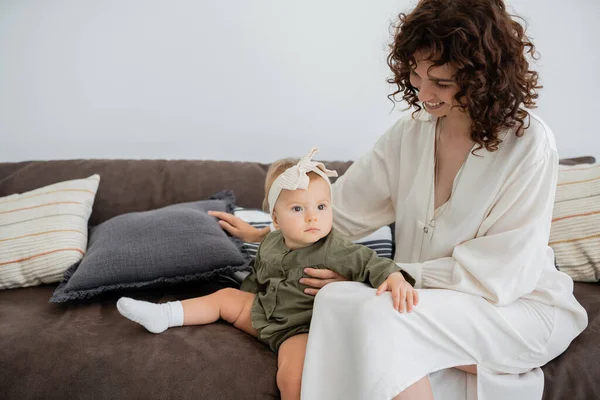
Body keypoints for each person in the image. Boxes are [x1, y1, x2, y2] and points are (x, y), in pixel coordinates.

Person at [207, 0, 589, 399]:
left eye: (440, 82)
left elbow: (502, 275)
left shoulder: (529, 145)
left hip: (512, 309)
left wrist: (388, 274)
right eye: (416, 74)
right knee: (340, 300)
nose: (423, 93)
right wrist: (269, 231)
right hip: (420, 303)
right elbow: (341, 212)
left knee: (376, 311)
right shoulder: (410, 133)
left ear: (484, 77)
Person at [117, 148, 417, 400]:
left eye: (322, 206)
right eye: (298, 209)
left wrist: (393, 277)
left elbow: (370, 262)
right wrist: (244, 299)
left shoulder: (334, 248)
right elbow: (257, 278)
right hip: (264, 313)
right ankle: (164, 315)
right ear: (275, 218)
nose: (313, 216)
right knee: (225, 297)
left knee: (292, 378)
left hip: (298, 328)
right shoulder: (271, 242)